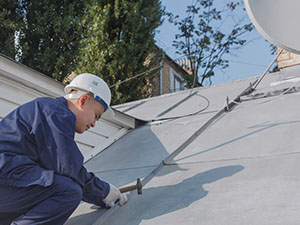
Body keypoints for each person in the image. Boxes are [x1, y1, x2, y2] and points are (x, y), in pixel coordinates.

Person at [0, 73, 128, 225]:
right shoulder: (55, 113)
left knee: (50, 186)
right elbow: (69, 168)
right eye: (96, 115)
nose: (94, 123)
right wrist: (104, 192)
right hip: (5, 180)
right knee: (69, 191)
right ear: (84, 100)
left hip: (8, 184)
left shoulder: (48, 110)